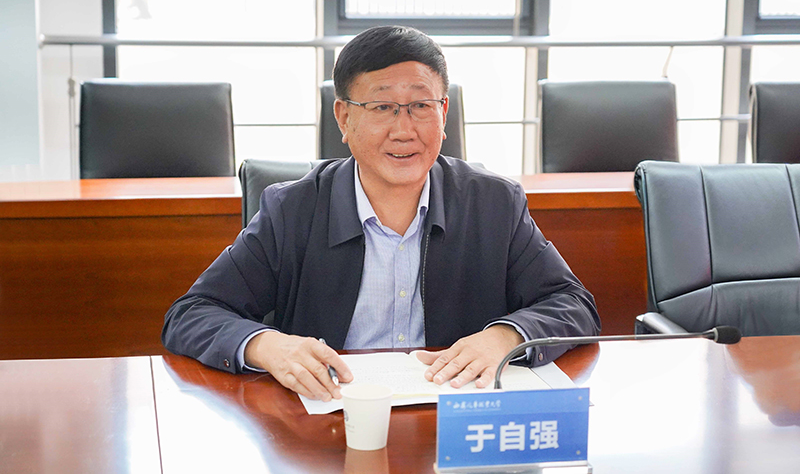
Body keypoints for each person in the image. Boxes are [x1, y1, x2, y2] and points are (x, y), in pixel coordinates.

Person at [162, 25, 600, 402]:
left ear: (443, 112)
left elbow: (573, 304)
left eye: (421, 105)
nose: (404, 129)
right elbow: (192, 313)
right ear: (344, 117)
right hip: (330, 421)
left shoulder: (494, 204)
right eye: (382, 107)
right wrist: (267, 345)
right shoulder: (292, 210)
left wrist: (504, 337)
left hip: (452, 420)